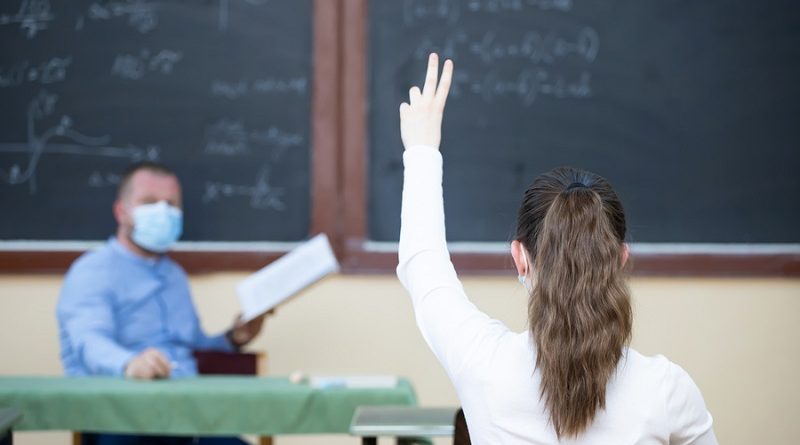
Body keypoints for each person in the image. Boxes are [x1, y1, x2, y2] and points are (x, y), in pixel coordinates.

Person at [396, 53, 718, 444]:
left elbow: (422, 263)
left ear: (520, 258)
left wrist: (422, 150)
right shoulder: (667, 391)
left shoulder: (482, 365)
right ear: (619, 261)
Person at [57, 161, 265, 444]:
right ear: (122, 212)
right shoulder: (93, 270)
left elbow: (191, 345)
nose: (162, 212)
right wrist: (130, 364)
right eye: (149, 202)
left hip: (188, 414)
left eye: (171, 204)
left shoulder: (174, 275)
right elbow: (90, 344)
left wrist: (233, 338)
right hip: (122, 418)